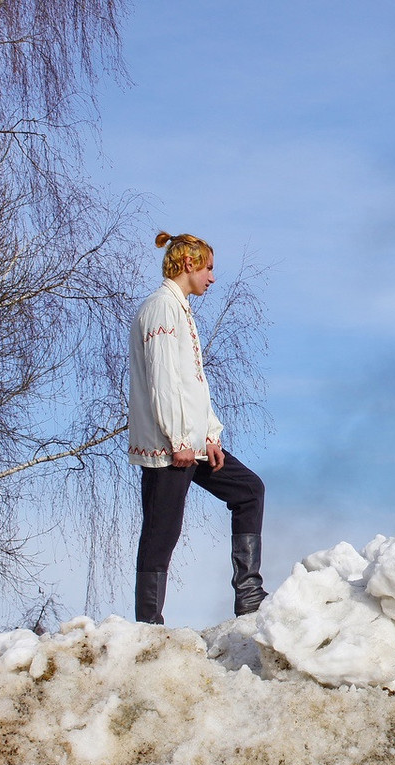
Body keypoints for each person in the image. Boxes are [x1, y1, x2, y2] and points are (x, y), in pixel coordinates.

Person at [128, 231, 268, 624]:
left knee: (249, 490)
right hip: (170, 447)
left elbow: (193, 383)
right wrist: (178, 440)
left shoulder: (181, 310)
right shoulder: (161, 308)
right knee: (161, 533)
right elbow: (162, 380)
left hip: (194, 444)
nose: (212, 277)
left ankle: (249, 595)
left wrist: (210, 437)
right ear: (188, 264)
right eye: (208, 268)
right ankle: (148, 627)